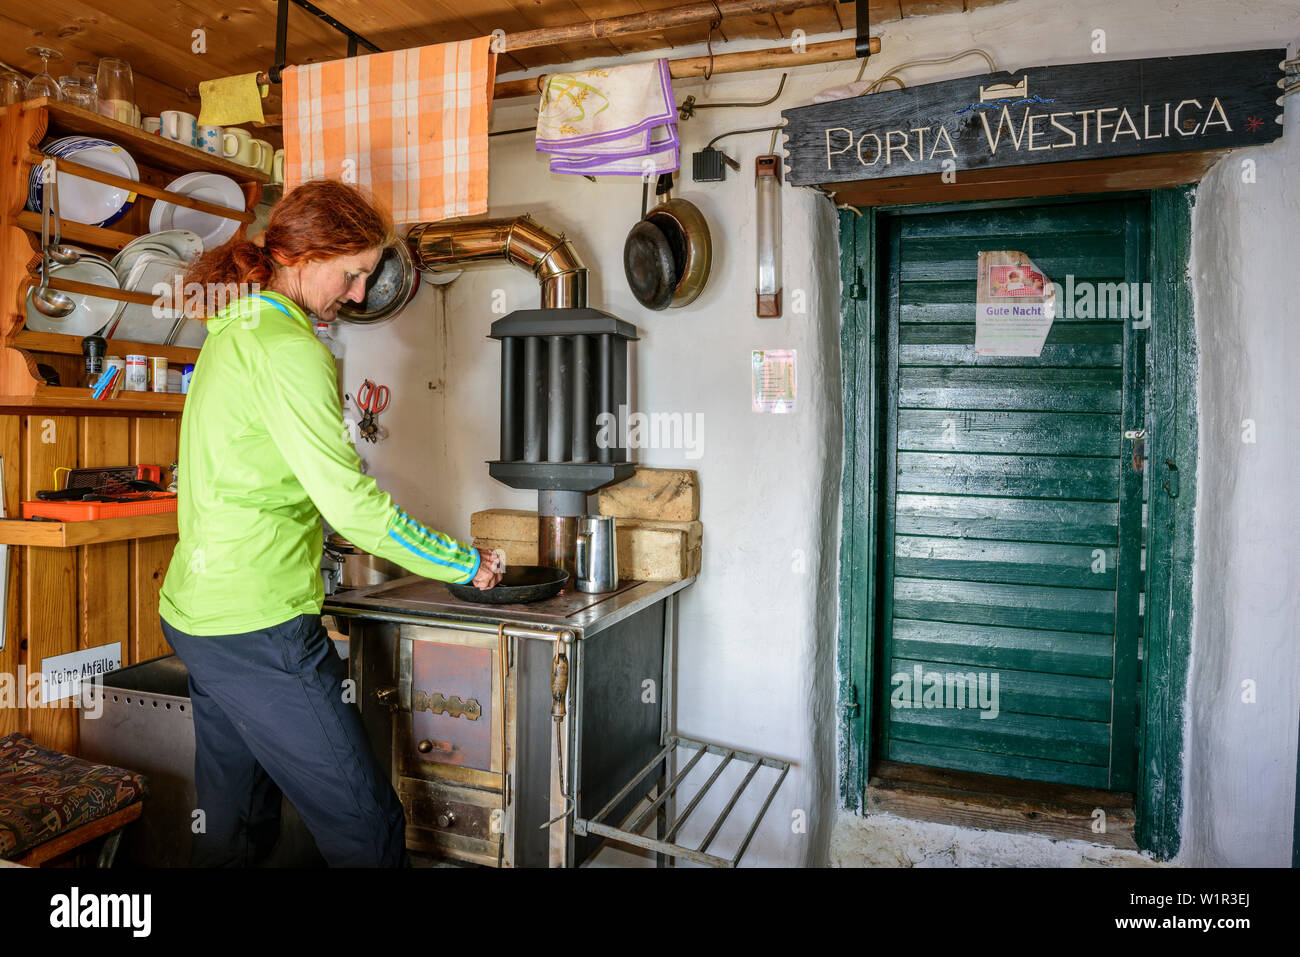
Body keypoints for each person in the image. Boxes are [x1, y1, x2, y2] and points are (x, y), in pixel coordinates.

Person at [158, 180, 502, 868]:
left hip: (199, 616)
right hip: (257, 625)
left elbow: (265, 479)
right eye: (353, 273)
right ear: (310, 254)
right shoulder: (289, 348)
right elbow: (350, 503)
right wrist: (464, 564)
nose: (355, 293)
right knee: (367, 827)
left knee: (234, 823)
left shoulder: (236, 331)